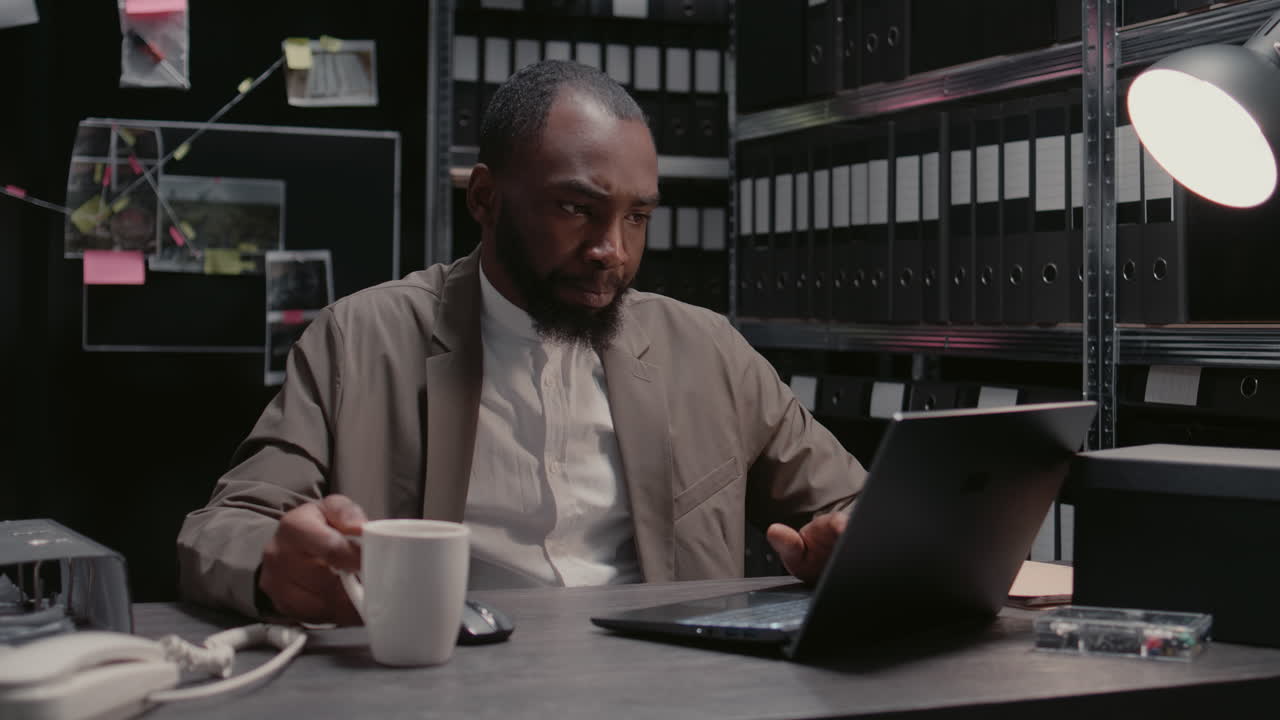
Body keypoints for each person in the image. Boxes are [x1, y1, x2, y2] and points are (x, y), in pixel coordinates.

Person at [177, 60, 866, 625]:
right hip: (449, 688)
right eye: (576, 209)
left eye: (637, 217)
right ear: (484, 198)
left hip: (667, 691)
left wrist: (852, 540)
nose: (611, 251)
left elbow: (854, 504)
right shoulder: (360, 340)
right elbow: (222, 529)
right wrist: (275, 562)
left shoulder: (708, 350)